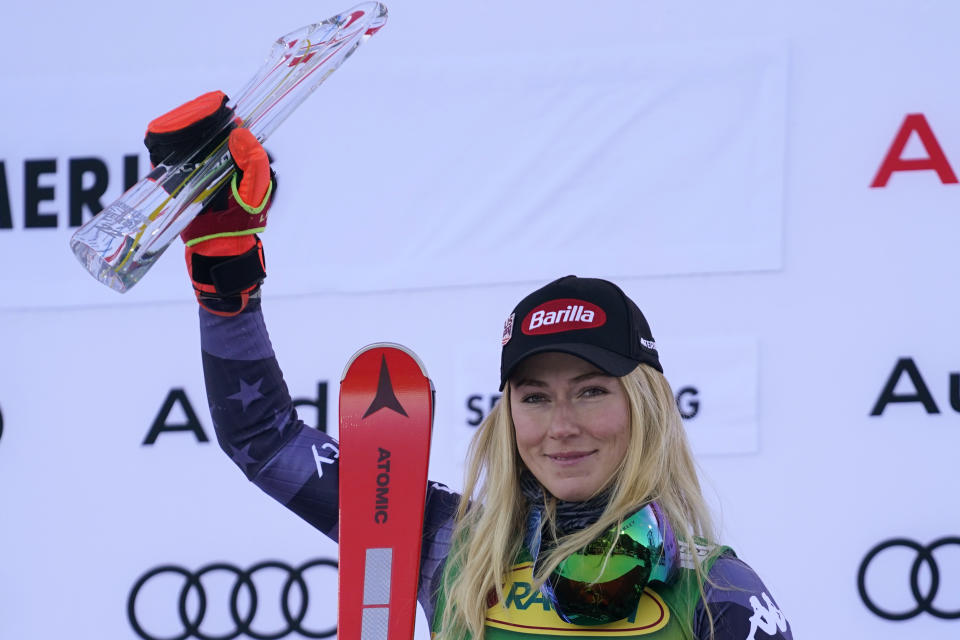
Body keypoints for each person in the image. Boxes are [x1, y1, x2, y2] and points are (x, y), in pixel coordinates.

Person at [147, 92, 793, 640]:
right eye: (534, 397)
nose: (561, 425)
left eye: (591, 391)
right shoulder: (447, 544)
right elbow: (266, 441)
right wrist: (226, 281)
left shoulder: (717, 595)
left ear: (644, 408)